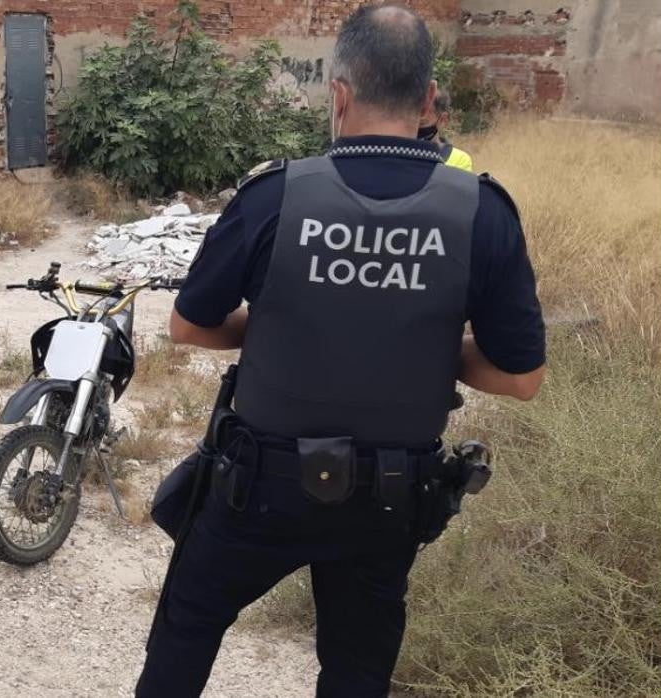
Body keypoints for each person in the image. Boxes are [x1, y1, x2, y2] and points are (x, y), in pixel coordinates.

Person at [136, 5, 546, 697]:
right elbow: (521, 378)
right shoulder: (483, 212)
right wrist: (418, 347)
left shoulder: (274, 196)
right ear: (428, 101)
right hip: (388, 499)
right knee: (356, 675)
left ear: (341, 94)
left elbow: (188, 326)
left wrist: (275, 329)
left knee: (186, 634)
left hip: (255, 490)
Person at [420, 88, 474, 171]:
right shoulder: (397, 151)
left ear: (442, 120)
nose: (414, 129)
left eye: (422, 123)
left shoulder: (459, 160)